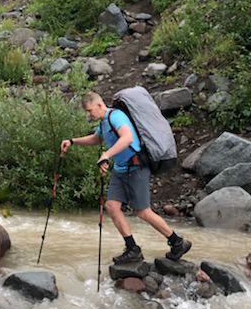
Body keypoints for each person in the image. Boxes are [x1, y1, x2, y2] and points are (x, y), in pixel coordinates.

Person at [60, 91, 191, 264]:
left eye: (90, 110)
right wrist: (73, 141)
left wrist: (107, 154)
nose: (88, 114)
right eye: (86, 111)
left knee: (143, 212)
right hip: (121, 169)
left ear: (99, 105)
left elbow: (127, 138)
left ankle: (177, 242)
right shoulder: (103, 122)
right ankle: (132, 249)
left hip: (136, 167)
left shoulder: (116, 116)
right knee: (112, 206)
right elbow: (97, 138)